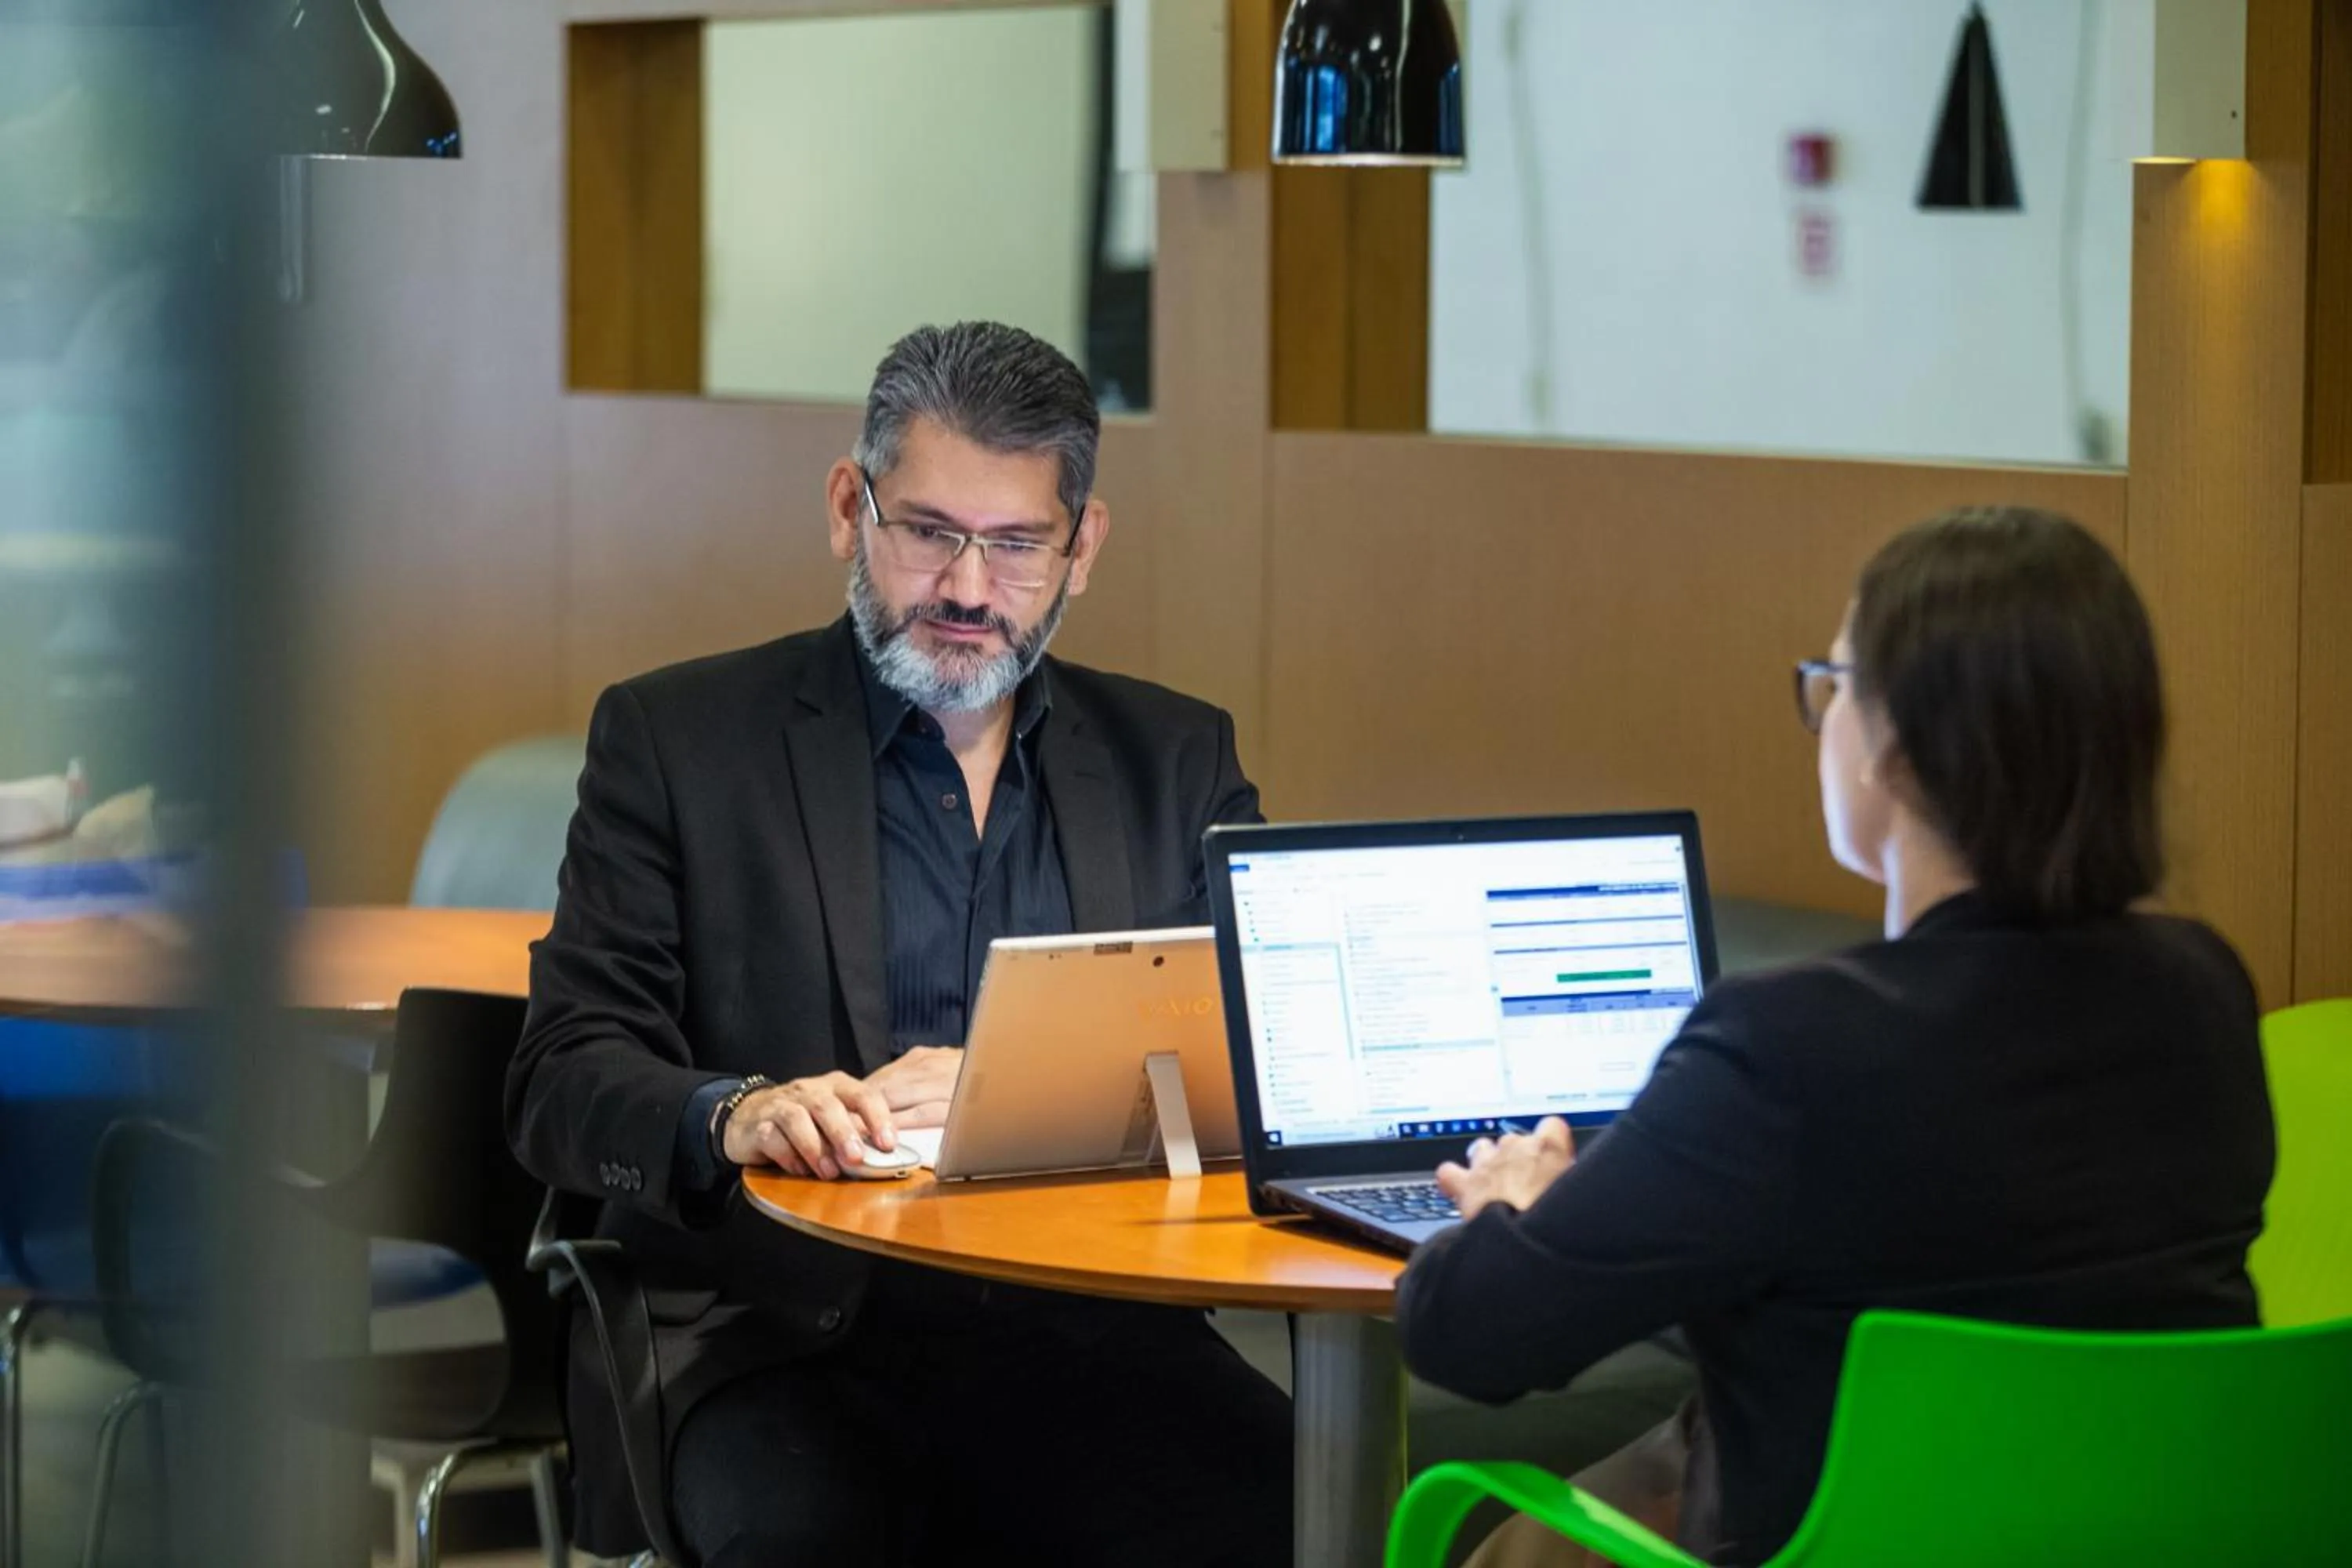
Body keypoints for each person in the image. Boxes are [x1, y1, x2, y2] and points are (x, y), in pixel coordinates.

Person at [506, 321, 1291, 1567]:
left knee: (1293, 1523)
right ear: (846, 507)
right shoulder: (679, 740)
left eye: (1017, 544)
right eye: (927, 532)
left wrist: (1007, 1087)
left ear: (1082, 549)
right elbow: (562, 1073)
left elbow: (1270, 1065)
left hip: (1096, 1340)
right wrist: (731, 1114)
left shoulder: (1175, 762)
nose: (969, 589)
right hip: (783, 1346)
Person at [1396, 506, 2274, 1568]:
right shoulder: (2204, 992)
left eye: (1837, 682)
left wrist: (1520, 1208)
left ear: (1893, 747)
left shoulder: (1786, 1048)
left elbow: (1468, 1335)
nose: (1825, 719)